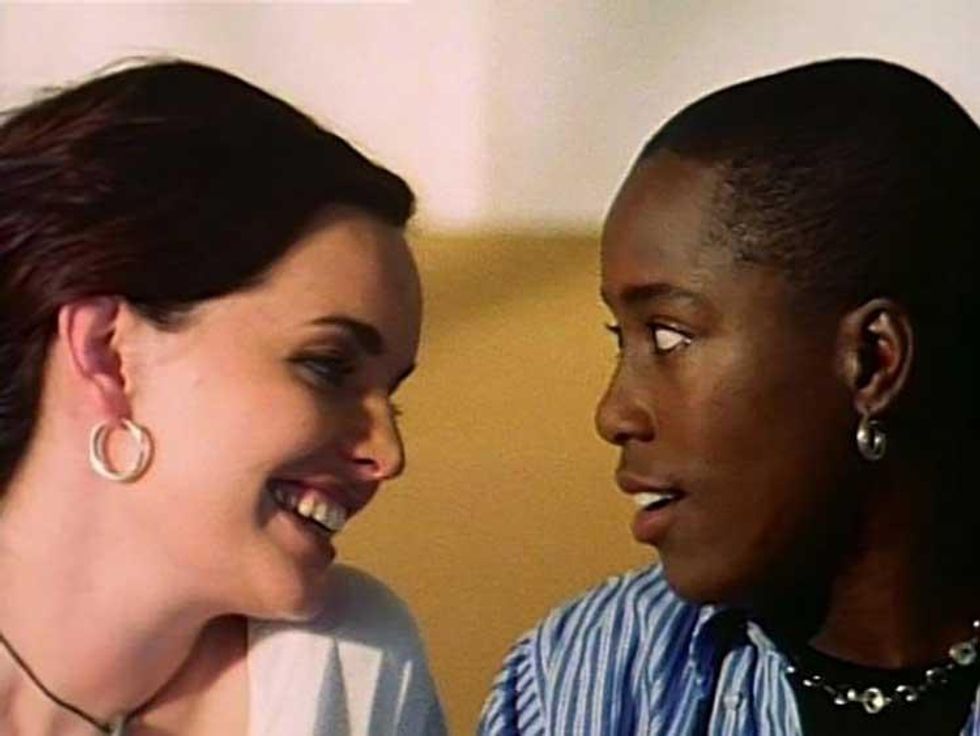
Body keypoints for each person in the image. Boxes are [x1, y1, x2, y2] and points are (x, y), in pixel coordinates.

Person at [479, 58, 980, 735]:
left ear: (872, 362)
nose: (614, 413)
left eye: (669, 335)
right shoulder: (582, 676)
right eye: (620, 338)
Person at [0, 60, 445, 735]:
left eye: (392, 394)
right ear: (108, 354)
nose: (388, 455)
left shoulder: (342, 664)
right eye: (328, 366)